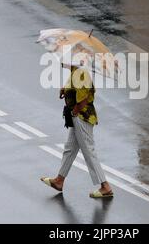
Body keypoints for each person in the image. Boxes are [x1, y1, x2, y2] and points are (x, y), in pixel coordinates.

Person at [41, 64, 113, 198]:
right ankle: (59, 180)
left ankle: (105, 186)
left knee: (88, 151)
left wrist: (74, 113)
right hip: (77, 117)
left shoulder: (81, 73)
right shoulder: (75, 71)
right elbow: (74, 90)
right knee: (69, 148)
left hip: (82, 117)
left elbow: (83, 100)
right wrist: (65, 90)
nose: (61, 60)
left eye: (64, 56)